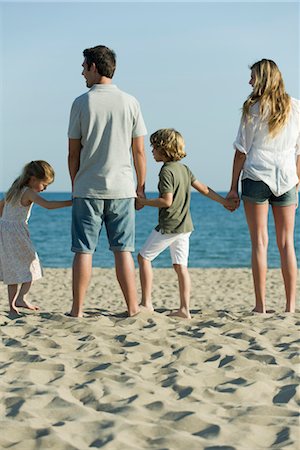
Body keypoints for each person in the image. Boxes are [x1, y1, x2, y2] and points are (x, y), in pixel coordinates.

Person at [68, 45, 147, 318]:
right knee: (123, 251)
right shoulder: (130, 102)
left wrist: (74, 183)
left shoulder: (81, 102)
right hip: (123, 187)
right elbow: (139, 150)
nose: (81, 72)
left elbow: (73, 152)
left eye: (83, 67)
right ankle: (132, 308)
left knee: (83, 251)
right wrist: (141, 185)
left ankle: (77, 310)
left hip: (88, 186)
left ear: (93, 66)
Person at [136, 128, 236, 319]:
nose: (152, 151)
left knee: (143, 258)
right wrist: (224, 202)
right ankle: (184, 309)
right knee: (181, 267)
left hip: (170, 226)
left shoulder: (166, 171)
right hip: (185, 227)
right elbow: (205, 189)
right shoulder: (184, 169)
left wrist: (143, 202)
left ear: (163, 149)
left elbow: (166, 201)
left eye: (154, 147)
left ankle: (147, 303)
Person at [227, 59, 300, 313]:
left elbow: (241, 152)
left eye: (253, 77)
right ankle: (290, 306)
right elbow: (299, 152)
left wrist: (233, 187)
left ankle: (260, 306)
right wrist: (298, 184)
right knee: (286, 243)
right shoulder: (296, 108)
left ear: (264, 78)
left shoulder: (253, 109)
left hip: (257, 176)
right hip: (287, 179)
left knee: (259, 242)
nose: (249, 81)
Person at [0, 161, 72, 315]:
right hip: (17, 233)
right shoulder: (29, 192)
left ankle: (14, 305)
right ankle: (21, 298)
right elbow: (48, 205)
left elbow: (1, 206)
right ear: (32, 179)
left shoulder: (15, 188)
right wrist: (71, 202)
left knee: (12, 269)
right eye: (44, 184)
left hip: (5, 231)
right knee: (32, 265)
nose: (45, 188)